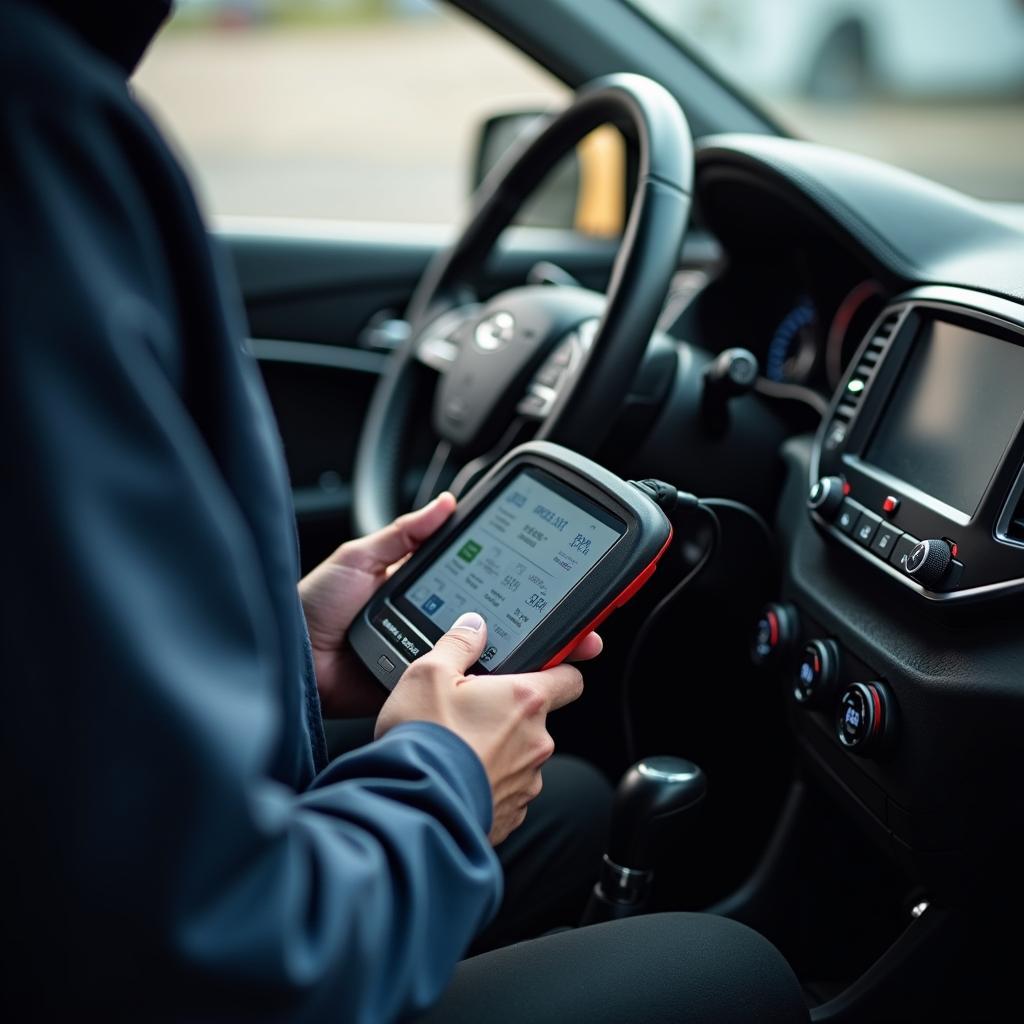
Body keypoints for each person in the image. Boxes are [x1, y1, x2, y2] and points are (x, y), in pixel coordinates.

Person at [1, 2, 808, 1021]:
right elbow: (205, 955)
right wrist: (443, 785)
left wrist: (287, 650)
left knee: (568, 802)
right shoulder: (38, 129)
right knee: (728, 970)